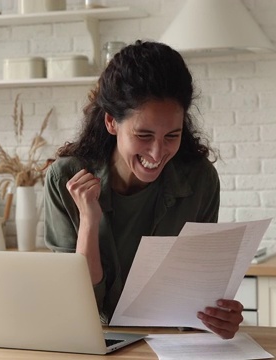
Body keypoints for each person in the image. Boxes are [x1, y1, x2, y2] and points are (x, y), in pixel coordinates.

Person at [43, 40, 243, 339]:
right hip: (95, 346)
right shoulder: (65, 178)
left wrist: (216, 318)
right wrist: (88, 221)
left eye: (171, 135)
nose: (157, 152)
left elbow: (193, 296)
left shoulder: (200, 180)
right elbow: (77, 308)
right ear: (112, 122)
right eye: (143, 134)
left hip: (170, 346)